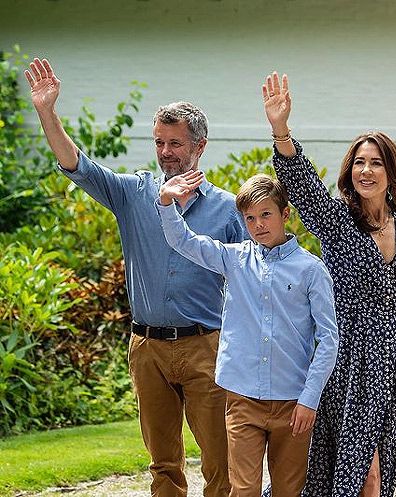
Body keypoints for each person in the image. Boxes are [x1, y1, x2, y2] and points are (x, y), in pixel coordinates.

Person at [24, 58, 247, 497]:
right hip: (147, 349)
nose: (166, 152)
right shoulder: (132, 193)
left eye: (176, 143)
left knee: (220, 463)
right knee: (163, 465)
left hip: (207, 347)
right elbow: (78, 166)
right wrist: (47, 113)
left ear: (199, 147)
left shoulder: (227, 209)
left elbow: (252, 278)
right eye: (160, 142)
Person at [261, 72, 396, 497]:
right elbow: (303, 189)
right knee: (362, 473)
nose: (366, 170)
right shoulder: (336, 221)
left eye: (376, 162)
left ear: (391, 172)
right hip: (346, 356)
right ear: (349, 170)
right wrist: (281, 130)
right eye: (359, 161)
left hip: (391, 360)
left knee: (382, 464)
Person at [157, 172, 339, 497]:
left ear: (285, 214)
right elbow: (183, 241)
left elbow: (328, 339)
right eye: (250, 218)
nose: (258, 225)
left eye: (266, 214)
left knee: (288, 491)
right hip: (242, 400)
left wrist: (310, 400)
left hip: (293, 403)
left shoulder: (311, 270)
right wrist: (167, 202)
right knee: (243, 490)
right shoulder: (234, 258)